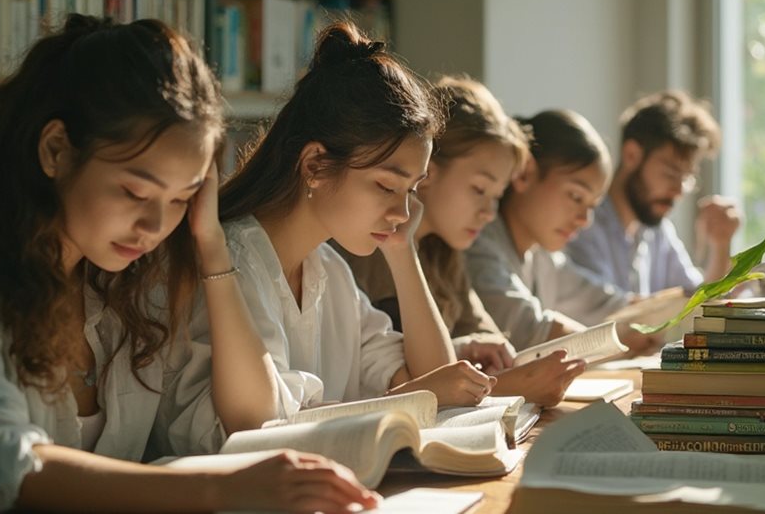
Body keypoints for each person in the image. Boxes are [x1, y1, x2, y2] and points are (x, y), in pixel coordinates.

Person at [0, 15, 376, 514]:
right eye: (134, 191)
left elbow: (212, 433)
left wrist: (211, 242)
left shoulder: (135, 274)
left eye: (180, 198)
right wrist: (218, 491)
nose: (154, 226)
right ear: (56, 150)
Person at [214, 22, 494, 416]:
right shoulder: (233, 264)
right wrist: (413, 398)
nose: (403, 212)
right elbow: (264, 426)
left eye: (412, 189)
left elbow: (438, 377)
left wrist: (402, 251)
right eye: (386, 186)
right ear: (315, 164)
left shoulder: (329, 271)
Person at [340, 76, 587, 406]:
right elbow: (404, 384)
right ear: (427, 173)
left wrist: (479, 346)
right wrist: (513, 385)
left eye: (497, 197)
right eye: (479, 190)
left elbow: (488, 338)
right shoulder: (369, 250)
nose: (489, 212)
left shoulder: (444, 252)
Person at [465, 109, 660, 354]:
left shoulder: (542, 258)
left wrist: (656, 314)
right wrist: (615, 344)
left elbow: (605, 303)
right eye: (576, 196)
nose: (584, 220)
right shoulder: (476, 243)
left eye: (592, 206)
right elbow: (529, 330)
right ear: (525, 173)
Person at [564, 90, 742, 296]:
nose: (679, 191)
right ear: (632, 154)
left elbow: (698, 301)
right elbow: (607, 317)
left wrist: (721, 244)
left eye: (687, 178)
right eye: (671, 173)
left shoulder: (656, 230)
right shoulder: (581, 225)